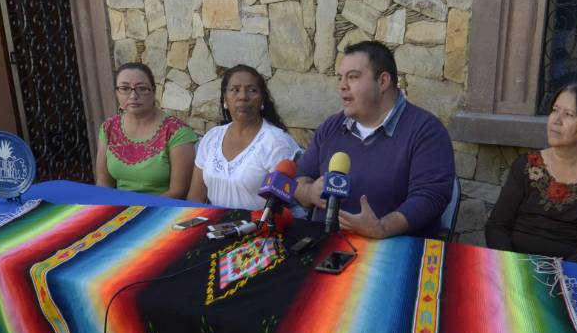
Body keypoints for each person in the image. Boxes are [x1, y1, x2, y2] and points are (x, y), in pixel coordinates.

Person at [294, 40, 455, 238]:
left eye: (353, 77)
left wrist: (382, 227)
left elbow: (430, 197)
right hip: (325, 243)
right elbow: (300, 179)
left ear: (383, 82)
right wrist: (310, 192)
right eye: (340, 78)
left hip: (393, 248)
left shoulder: (426, 131)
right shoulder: (331, 127)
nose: (342, 86)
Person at [485, 83, 577, 265]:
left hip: (570, 275)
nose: (556, 120)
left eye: (569, 114)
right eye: (554, 110)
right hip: (513, 268)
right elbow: (497, 226)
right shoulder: (526, 166)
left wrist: (552, 276)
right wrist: (513, 269)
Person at [187, 65, 301, 211]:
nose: (243, 97)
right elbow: (195, 198)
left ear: (262, 100)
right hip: (211, 224)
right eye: (235, 90)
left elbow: (283, 207)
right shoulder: (212, 138)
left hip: (259, 224)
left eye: (252, 90)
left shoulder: (277, 143)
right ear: (225, 99)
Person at [95, 62, 197, 197]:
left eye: (142, 88)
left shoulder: (176, 132)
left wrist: (138, 208)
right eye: (125, 88)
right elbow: (103, 183)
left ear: (153, 92)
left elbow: (178, 191)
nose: (133, 96)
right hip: (118, 205)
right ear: (116, 92)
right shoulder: (109, 128)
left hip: (161, 206)